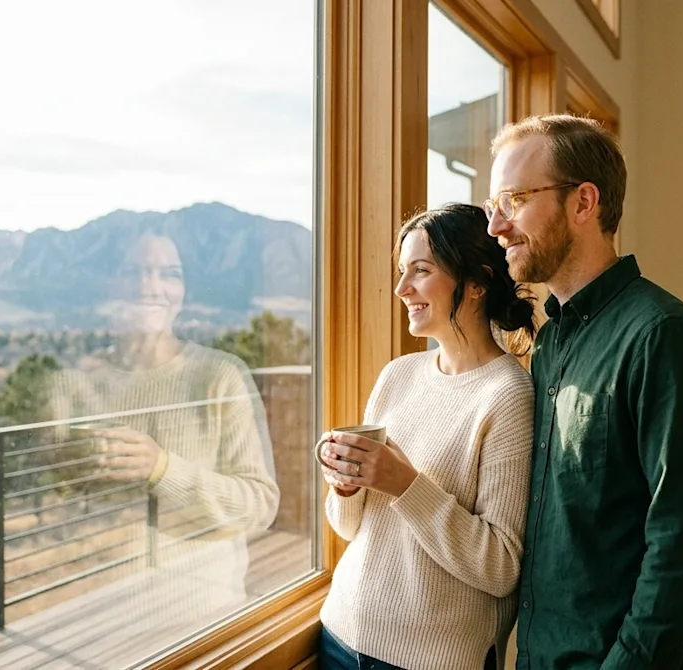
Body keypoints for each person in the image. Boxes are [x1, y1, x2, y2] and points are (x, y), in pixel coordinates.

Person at [485, 114, 683, 669]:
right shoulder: (549, 343)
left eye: (514, 199)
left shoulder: (661, 336)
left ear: (583, 203)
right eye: (494, 203)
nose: (496, 225)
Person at [316, 203, 537, 670]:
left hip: (428, 659)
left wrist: (403, 483)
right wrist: (346, 486)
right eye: (402, 271)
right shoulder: (398, 375)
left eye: (420, 270)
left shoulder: (508, 395)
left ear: (476, 282)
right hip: (339, 634)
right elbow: (350, 527)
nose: (401, 289)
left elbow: (501, 568)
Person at [49, 229, 279, 628]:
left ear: (183, 289)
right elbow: (55, 504)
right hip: (92, 617)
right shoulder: (73, 384)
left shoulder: (219, 376)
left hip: (197, 621)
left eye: (168, 273)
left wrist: (162, 470)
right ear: (110, 284)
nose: (150, 286)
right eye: (133, 271)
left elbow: (260, 505)